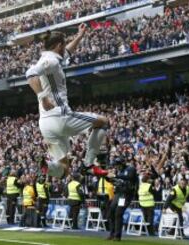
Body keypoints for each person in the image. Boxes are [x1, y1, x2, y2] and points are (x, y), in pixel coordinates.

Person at [26, 23, 109, 178]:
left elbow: (68, 52)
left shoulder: (51, 58)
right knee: (103, 122)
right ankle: (89, 164)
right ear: (58, 45)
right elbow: (30, 74)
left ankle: (48, 167)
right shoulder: (51, 61)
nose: (65, 48)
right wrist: (43, 97)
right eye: (63, 45)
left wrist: (79, 36)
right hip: (60, 117)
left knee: (64, 171)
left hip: (45, 124)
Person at [107, 157, 138, 241]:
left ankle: (117, 236)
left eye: (118, 165)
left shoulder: (130, 169)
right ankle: (112, 234)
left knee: (118, 213)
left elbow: (129, 177)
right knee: (112, 211)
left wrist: (115, 175)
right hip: (118, 193)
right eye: (116, 165)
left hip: (126, 194)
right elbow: (118, 181)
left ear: (122, 163)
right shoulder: (119, 171)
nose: (116, 167)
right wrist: (111, 179)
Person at [96, 153, 114, 230]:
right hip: (107, 198)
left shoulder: (101, 179)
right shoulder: (107, 178)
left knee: (104, 213)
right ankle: (107, 227)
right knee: (108, 213)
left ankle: (103, 226)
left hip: (102, 197)